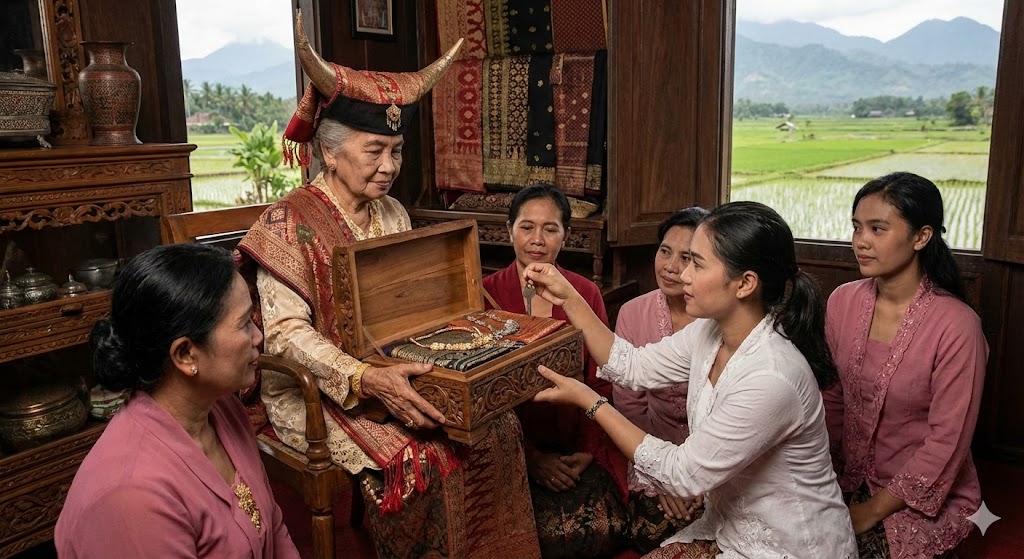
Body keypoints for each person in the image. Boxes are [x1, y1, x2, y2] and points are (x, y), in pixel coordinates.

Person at [234, 12, 541, 559]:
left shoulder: (392, 211)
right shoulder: (288, 222)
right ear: (330, 151)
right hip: (318, 390)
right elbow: (282, 337)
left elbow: (410, 299)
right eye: (373, 150)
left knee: (496, 428)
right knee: (424, 458)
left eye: (395, 150)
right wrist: (366, 378)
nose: (389, 166)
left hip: (397, 363)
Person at [524, 201, 858, 558]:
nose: (682, 274)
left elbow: (681, 475)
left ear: (745, 283)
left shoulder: (772, 376)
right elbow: (631, 364)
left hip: (791, 546)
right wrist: (569, 297)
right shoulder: (710, 332)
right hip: (729, 527)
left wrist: (589, 400)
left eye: (696, 263)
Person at [55, 244, 299, 558]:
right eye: (243, 324)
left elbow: (273, 527)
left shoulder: (222, 408)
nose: (258, 337)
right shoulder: (133, 496)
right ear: (185, 354)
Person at [823, 172, 988, 559]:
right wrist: (818, 475)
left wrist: (868, 512)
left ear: (921, 236)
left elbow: (947, 441)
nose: (860, 241)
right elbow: (831, 399)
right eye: (857, 227)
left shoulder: (957, 325)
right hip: (844, 477)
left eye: (877, 228)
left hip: (920, 492)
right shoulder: (842, 301)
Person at [482, 183, 627, 558]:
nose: (537, 239)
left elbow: (600, 379)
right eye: (526, 227)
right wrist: (531, 458)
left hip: (575, 439)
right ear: (509, 230)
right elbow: (482, 397)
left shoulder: (584, 293)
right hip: (509, 446)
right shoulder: (483, 294)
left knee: (602, 530)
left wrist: (588, 451)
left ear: (566, 235)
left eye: (550, 229)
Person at [611, 206, 709, 552]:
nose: (670, 266)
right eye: (665, 251)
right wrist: (664, 477)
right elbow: (629, 406)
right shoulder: (632, 313)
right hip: (650, 452)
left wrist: (696, 480)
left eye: (686, 258)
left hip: (714, 461)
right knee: (648, 534)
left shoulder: (718, 316)